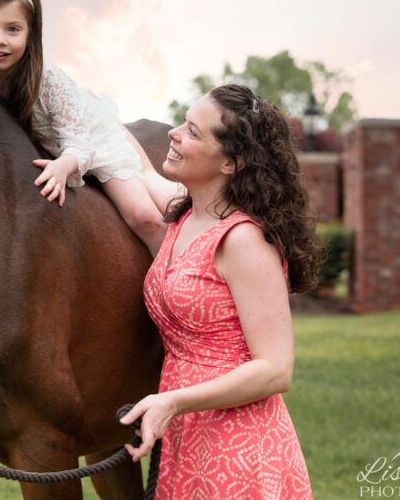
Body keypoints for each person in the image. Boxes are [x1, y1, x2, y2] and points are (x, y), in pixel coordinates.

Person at [119, 84, 320, 498]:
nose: (174, 133)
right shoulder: (187, 215)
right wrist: (73, 105)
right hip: (187, 435)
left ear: (232, 161)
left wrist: (172, 402)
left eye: (193, 132)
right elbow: (135, 168)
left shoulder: (244, 240)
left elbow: (276, 369)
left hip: (239, 446)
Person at [0, 0, 179, 254]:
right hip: (59, 144)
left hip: (91, 141)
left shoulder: (47, 79)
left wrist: (62, 166)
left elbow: (79, 142)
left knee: (144, 215)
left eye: (12, 29)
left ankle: (176, 282)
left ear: (30, 33)